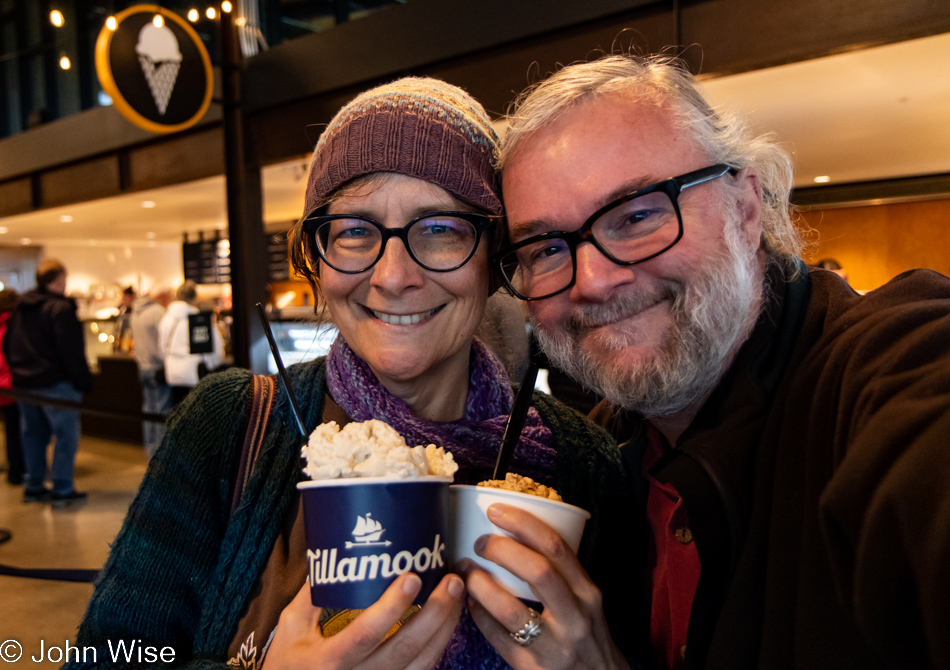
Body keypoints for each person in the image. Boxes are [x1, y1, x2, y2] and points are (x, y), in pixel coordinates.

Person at [65, 77, 621, 670]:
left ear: (493, 257)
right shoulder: (229, 426)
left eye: (439, 229)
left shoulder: (583, 462)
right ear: (317, 256)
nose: (392, 275)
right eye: (355, 231)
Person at [460, 54, 950, 670]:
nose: (592, 281)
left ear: (746, 207)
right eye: (547, 248)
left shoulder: (886, 368)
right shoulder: (611, 453)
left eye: (637, 216)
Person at [3, 259, 92, 506]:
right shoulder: (60, 308)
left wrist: (19, 372)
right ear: (60, 279)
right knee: (65, 436)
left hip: (25, 384)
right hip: (55, 383)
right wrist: (82, 381)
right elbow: (71, 350)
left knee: (32, 435)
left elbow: (9, 345)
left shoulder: (21, 307)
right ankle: (62, 488)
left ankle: (34, 485)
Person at [158, 280, 225, 406]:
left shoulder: (166, 319)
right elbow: (216, 347)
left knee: (177, 414)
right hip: (195, 375)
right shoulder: (200, 319)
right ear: (194, 298)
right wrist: (211, 364)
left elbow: (162, 348)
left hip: (173, 375)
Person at [131, 284, 173, 457]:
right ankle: (160, 454)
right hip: (157, 368)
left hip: (142, 367)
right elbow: (165, 343)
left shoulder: (136, 311)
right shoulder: (158, 313)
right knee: (161, 411)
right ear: (162, 297)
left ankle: (150, 451)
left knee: (148, 410)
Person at [0, 289, 24, 485]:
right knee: (17, 430)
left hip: (3, 386)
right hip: (12, 385)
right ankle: (18, 470)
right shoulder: (14, 325)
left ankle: (14, 469)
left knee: (10, 430)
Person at [113, 285, 136, 353]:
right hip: (121, 339)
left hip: (130, 340)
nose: (123, 300)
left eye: (125, 298)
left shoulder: (135, 311)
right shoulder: (121, 309)